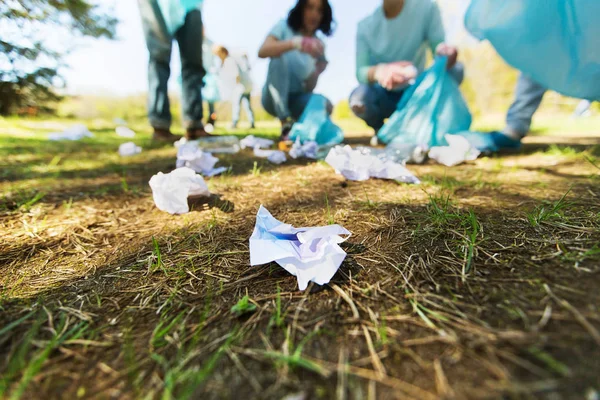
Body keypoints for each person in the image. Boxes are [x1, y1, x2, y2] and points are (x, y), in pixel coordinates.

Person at [349, 0, 462, 145]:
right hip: (384, 94)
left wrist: (445, 53)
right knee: (359, 99)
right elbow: (361, 72)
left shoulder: (427, 8)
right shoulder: (365, 26)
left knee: (456, 70)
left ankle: (428, 127)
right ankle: (383, 131)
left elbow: (438, 48)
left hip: (417, 93)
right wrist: (382, 71)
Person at [258, 0, 335, 141]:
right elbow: (262, 51)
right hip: (272, 98)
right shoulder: (283, 27)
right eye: (310, 7)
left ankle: (303, 128)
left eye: (320, 10)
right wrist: (295, 43)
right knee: (277, 58)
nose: (314, 14)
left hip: (296, 99)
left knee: (325, 103)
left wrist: (317, 71)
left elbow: (308, 88)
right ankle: (285, 121)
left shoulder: (318, 44)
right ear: (301, 8)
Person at [137, 0, 209, 142]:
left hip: (190, 5)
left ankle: (194, 124)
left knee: (193, 62)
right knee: (159, 58)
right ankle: (160, 126)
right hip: (157, 3)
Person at [213, 46, 255, 129]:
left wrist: (235, 86)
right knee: (247, 105)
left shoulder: (230, 60)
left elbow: (236, 74)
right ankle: (252, 123)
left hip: (241, 86)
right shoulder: (231, 59)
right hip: (246, 85)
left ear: (222, 52)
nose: (218, 57)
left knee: (237, 105)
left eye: (218, 54)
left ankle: (234, 123)